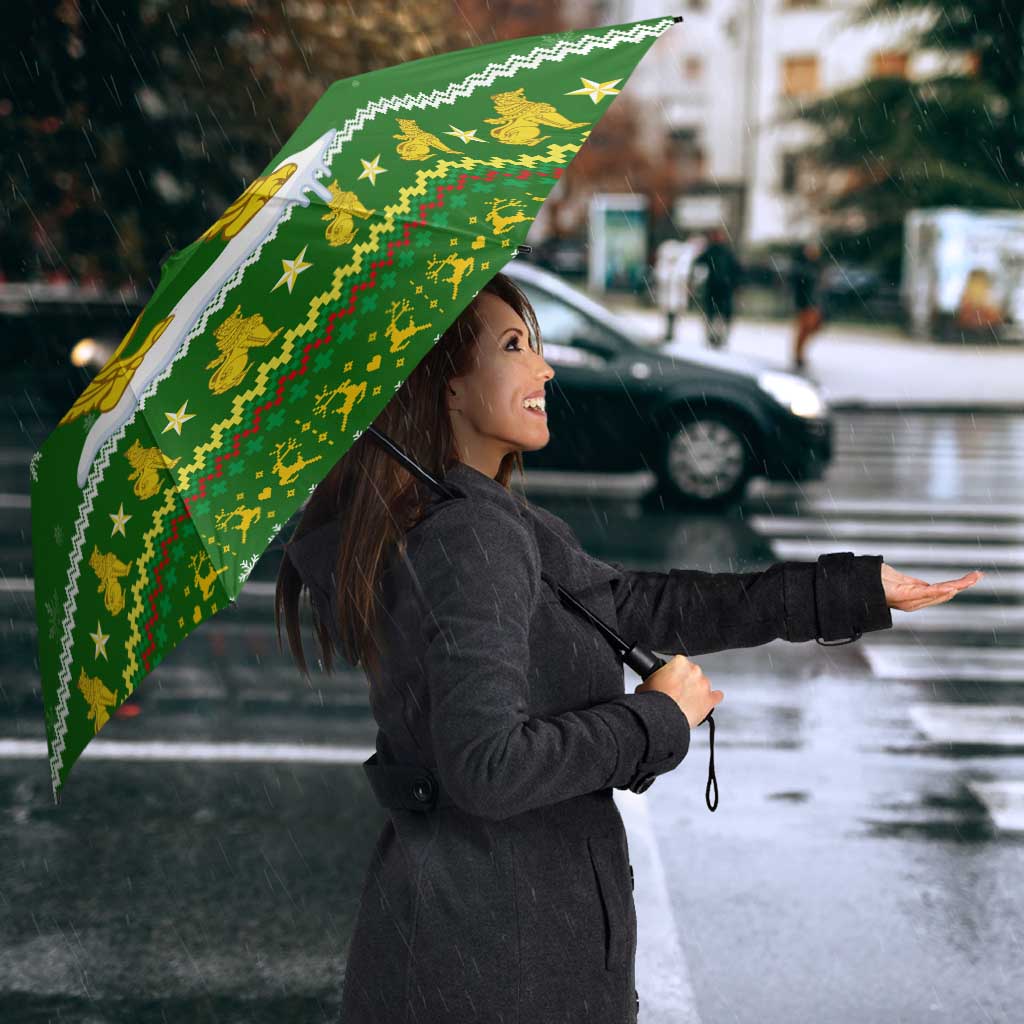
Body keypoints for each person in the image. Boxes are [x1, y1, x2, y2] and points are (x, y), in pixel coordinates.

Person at [275, 271, 914, 1024]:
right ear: (446, 385)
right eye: (513, 347)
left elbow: (639, 605)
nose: (544, 368)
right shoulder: (471, 536)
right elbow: (488, 767)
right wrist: (656, 719)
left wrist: (848, 591)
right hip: (500, 962)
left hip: (474, 940)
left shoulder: (472, 518)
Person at [692, 226, 742, 349]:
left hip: (722, 289)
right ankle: (713, 337)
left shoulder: (724, 252)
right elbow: (698, 263)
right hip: (716, 288)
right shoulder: (714, 251)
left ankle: (719, 337)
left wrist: (735, 284)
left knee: (719, 315)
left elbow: (736, 270)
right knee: (714, 314)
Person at [790, 239, 826, 370]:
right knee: (804, 329)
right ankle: (798, 355)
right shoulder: (802, 267)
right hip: (805, 303)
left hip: (814, 303)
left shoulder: (816, 266)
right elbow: (799, 286)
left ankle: (799, 354)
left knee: (812, 327)